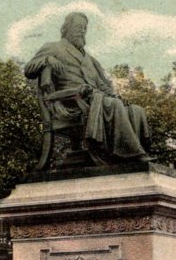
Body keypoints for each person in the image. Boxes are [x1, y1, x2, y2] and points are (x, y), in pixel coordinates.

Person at [24, 12, 151, 160]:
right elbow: (28, 69)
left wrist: (115, 95)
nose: (82, 30)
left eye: (84, 27)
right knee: (113, 105)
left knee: (135, 110)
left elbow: (102, 84)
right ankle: (133, 153)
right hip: (70, 101)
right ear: (66, 28)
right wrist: (47, 59)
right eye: (78, 27)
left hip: (95, 99)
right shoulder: (53, 47)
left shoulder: (90, 59)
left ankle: (123, 154)